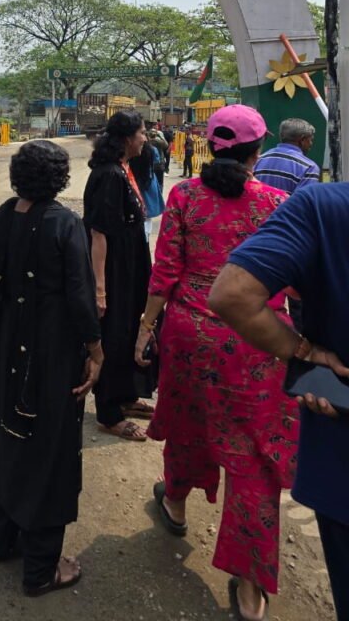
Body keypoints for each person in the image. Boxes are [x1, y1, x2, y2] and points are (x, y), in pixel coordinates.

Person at [135, 105, 297, 621]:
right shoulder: (278, 203)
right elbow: (294, 283)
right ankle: (249, 594)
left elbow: (165, 271)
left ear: (209, 144)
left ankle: (176, 505)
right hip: (257, 342)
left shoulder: (184, 196)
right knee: (252, 459)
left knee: (188, 423)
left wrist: (145, 328)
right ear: (257, 151)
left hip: (189, 333)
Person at [209, 182, 349, 621]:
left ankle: (176, 503)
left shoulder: (319, 207)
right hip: (260, 363)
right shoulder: (277, 197)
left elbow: (230, 294)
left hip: (231, 345)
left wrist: (306, 353)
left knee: (240, 456)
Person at [0, 140, 103, 596]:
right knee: (49, 451)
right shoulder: (64, 224)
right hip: (51, 355)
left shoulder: (0, 217)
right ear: (60, 178)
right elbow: (80, 296)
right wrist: (96, 350)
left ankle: (3, 542)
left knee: (9, 435)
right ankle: (40, 571)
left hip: (8, 348)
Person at [83, 110, 153, 441]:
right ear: (127, 138)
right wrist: (100, 288)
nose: (146, 138)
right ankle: (109, 413)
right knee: (113, 334)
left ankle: (125, 396)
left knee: (127, 331)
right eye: (142, 132)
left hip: (130, 264)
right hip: (113, 271)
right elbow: (99, 234)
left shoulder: (125, 168)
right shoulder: (109, 175)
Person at [253, 117, 320, 193]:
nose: (311, 144)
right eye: (310, 140)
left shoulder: (258, 160)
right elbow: (303, 202)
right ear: (302, 140)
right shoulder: (309, 168)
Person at [131, 141, 165, 236]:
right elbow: (156, 161)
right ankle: (145, 238)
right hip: (149, 181)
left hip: (134, 179)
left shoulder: (130, 149)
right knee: (148, 214)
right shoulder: (152, 149)